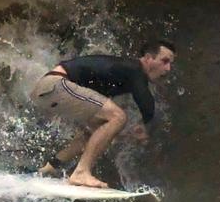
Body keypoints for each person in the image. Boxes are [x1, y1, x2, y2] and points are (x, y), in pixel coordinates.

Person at [29, 40, 176, 188]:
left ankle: (50, 167)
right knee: (118, 117)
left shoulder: (122, 73)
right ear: (149, 58)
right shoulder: (134, 69)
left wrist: (133, 129)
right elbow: (147, 105)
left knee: (94, 132)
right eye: (164, 61)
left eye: (170, 63)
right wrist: (147, 126)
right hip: (56, 85)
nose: (168, 68)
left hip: (50, 90)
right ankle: (81, 173)